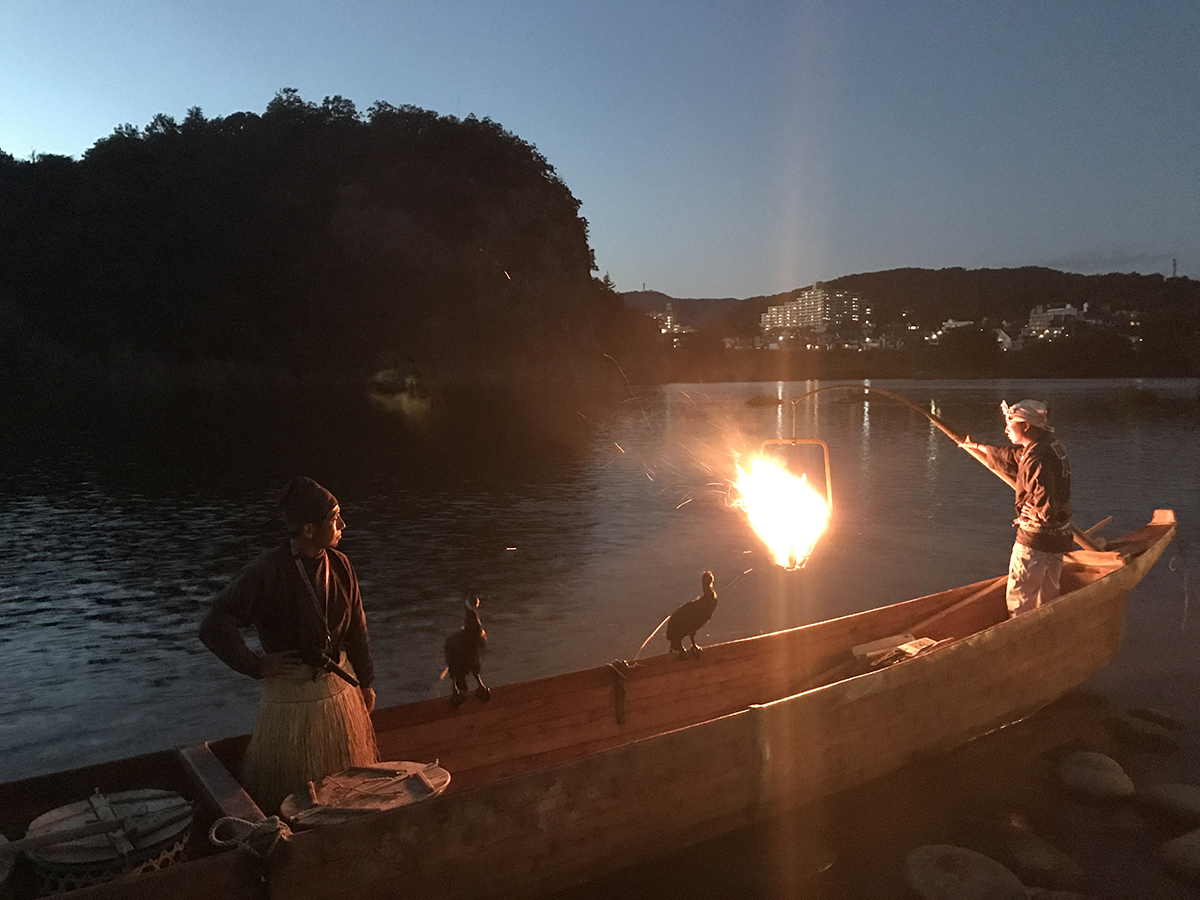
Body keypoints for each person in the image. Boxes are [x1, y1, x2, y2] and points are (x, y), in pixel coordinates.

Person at [199, 476, 378, 813]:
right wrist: (256, 665)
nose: (343, 525)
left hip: (339, 693)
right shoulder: (266, 572)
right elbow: (214, 624)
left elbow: (357, 627)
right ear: (308, 529)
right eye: (334, 518)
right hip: (291, 702)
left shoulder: (340, 565)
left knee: (345, 794)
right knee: (289, 799)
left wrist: (366, 681)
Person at [958, 400, 1073, 618]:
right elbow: (1014, 457)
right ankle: (1047, 630)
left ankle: (1020, 637)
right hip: (1058, 537)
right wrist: (979, 447)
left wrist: (1039, 514)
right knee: (1048, 593)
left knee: (1021, 595)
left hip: (1037, 540)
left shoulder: (1036, 458)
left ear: (1027, 425)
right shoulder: (1049, 444)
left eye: (1011, 425)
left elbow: (1045, 497)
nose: (1006, 430)